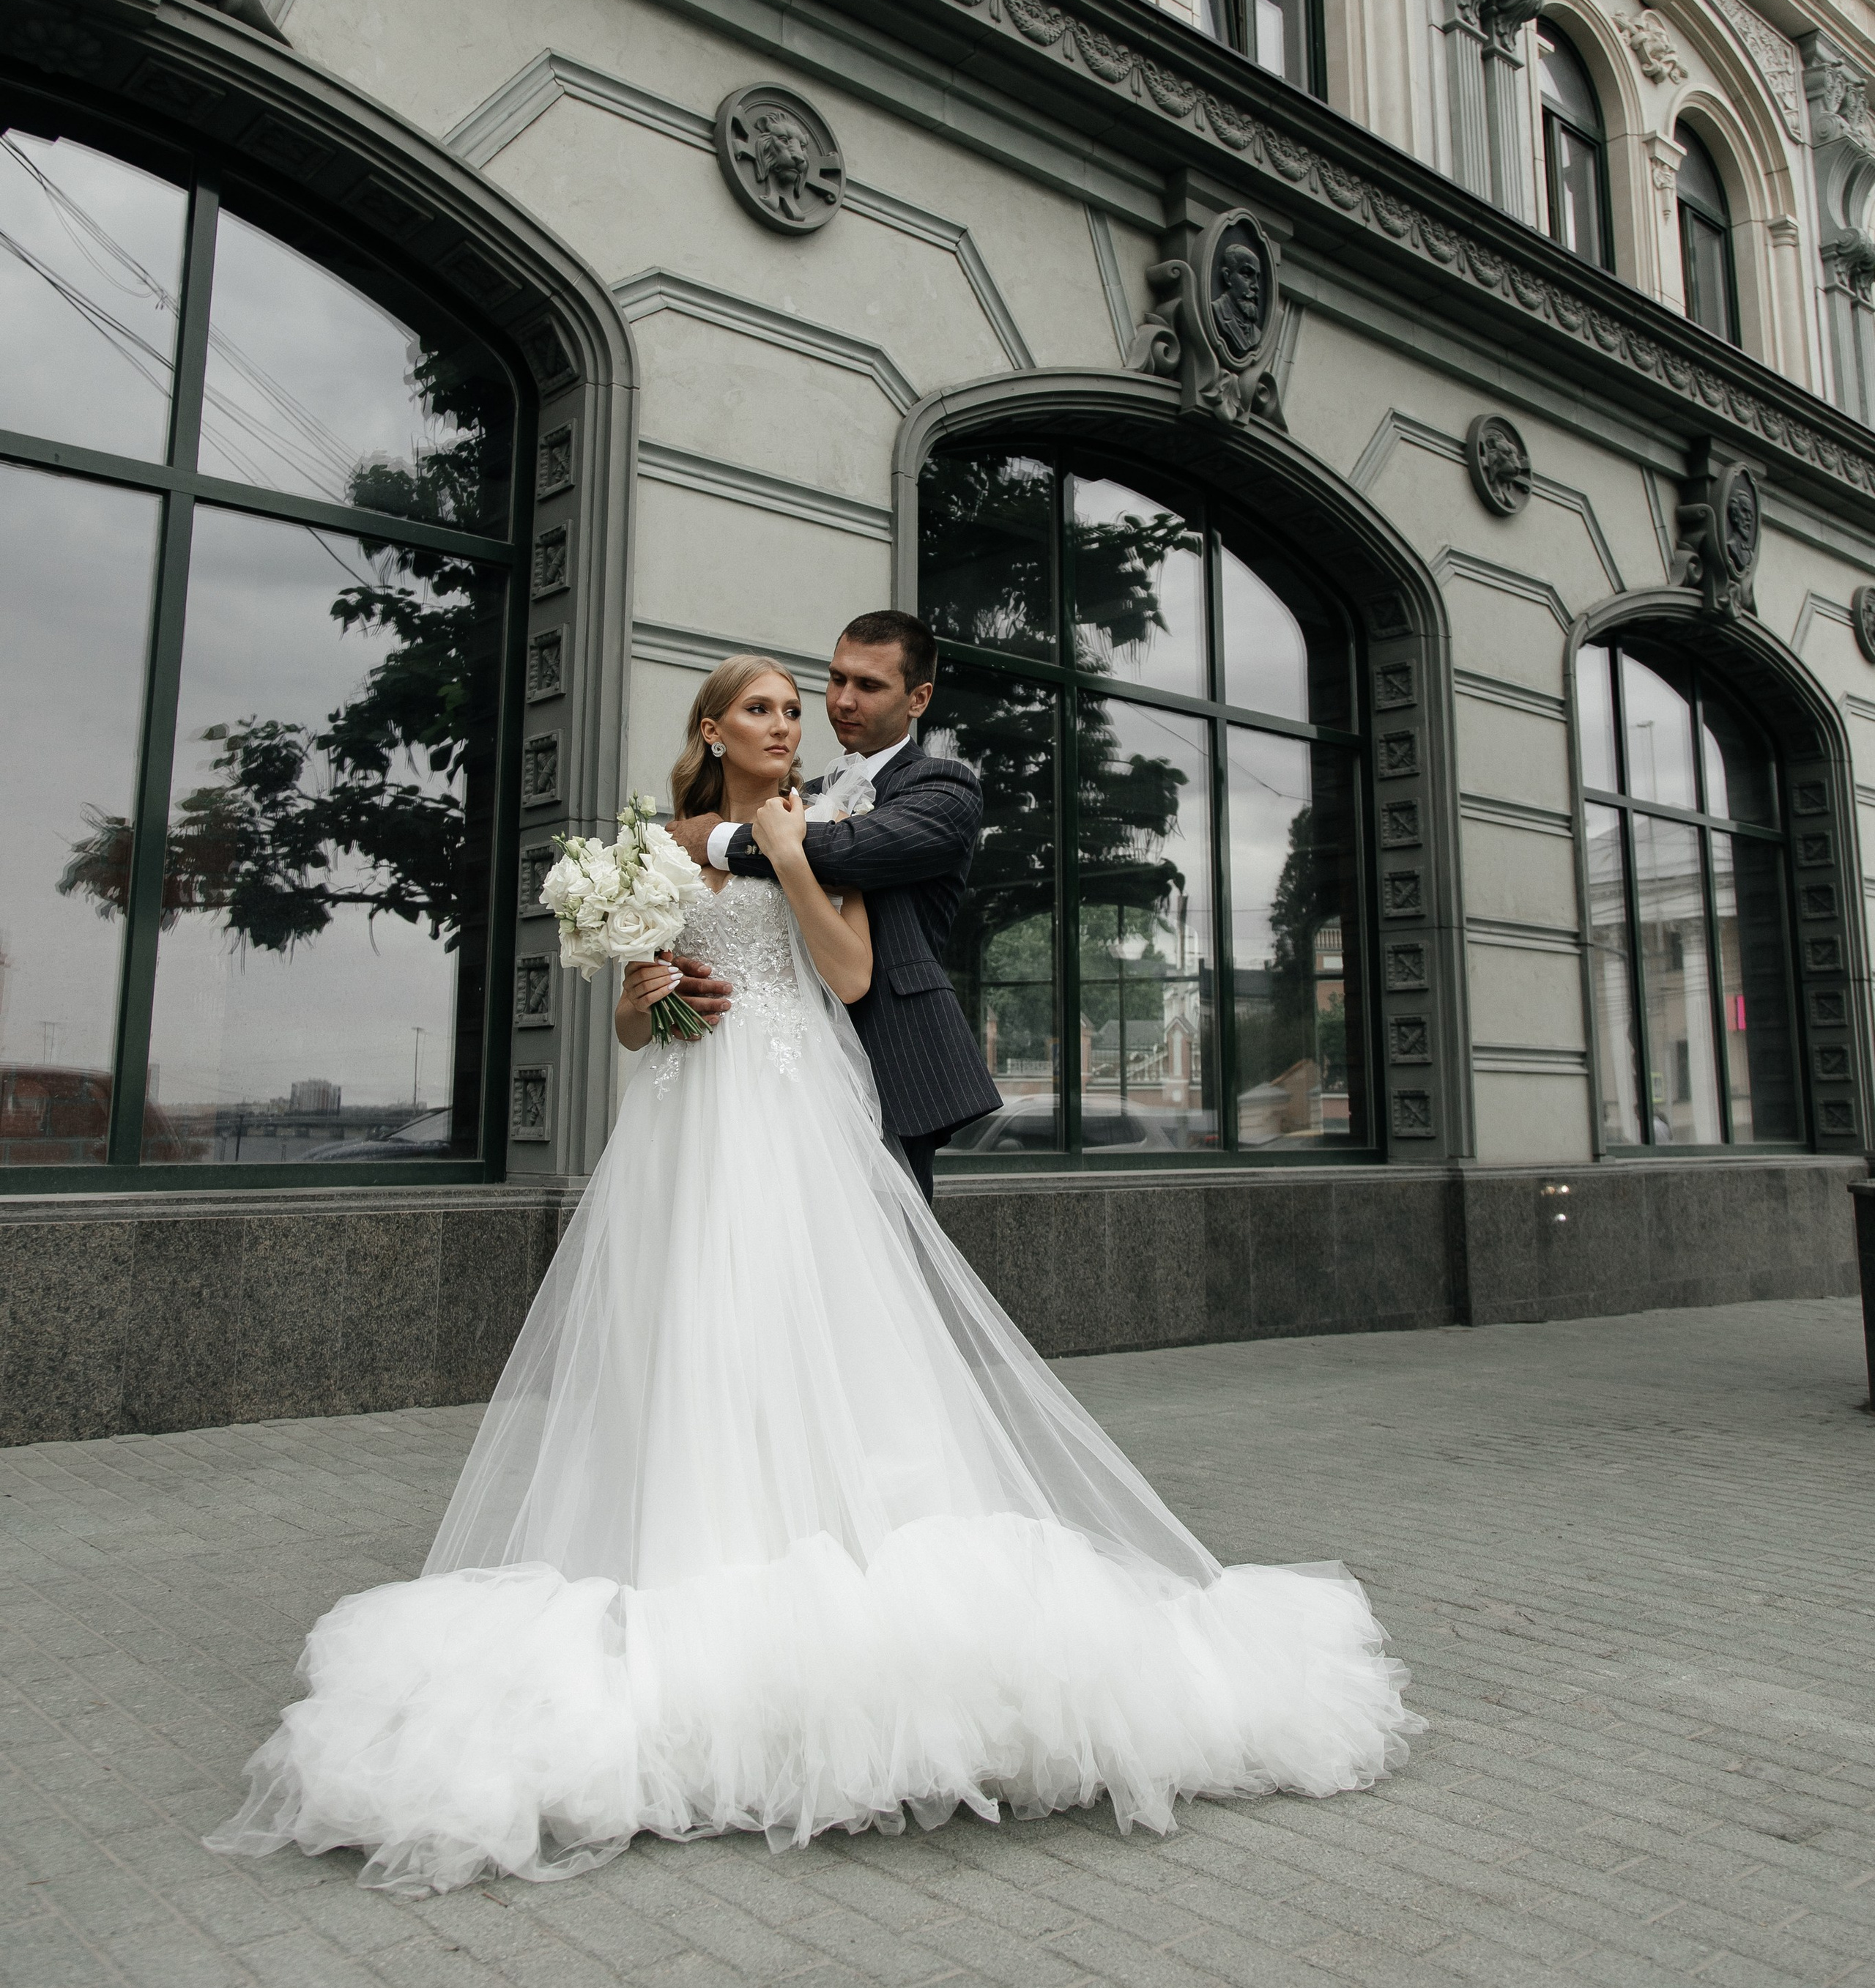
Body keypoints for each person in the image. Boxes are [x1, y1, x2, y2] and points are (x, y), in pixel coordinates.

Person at [207, 653, 1417, 1893]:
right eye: (765, 709)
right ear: (713, 729)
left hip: (801, 1114)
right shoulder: (662, 847)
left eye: (799, 708)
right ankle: (689, 1553)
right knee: (695, 1337)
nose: (790, 723)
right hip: (690, 1115)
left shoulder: (829, 827)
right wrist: (659, 991)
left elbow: (846, 976)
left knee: (825, 1330)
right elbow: (630, 1020)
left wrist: (792, 852)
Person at [667, 610, 999, 1201]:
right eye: (836, 679)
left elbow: (846, 848)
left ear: (918, 698)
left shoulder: (944, 787)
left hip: (893, 1056)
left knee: (880, 1269)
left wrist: (708, 840)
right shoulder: (804, 796)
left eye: (869, 686)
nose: (843, 700)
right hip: (768, 1062)